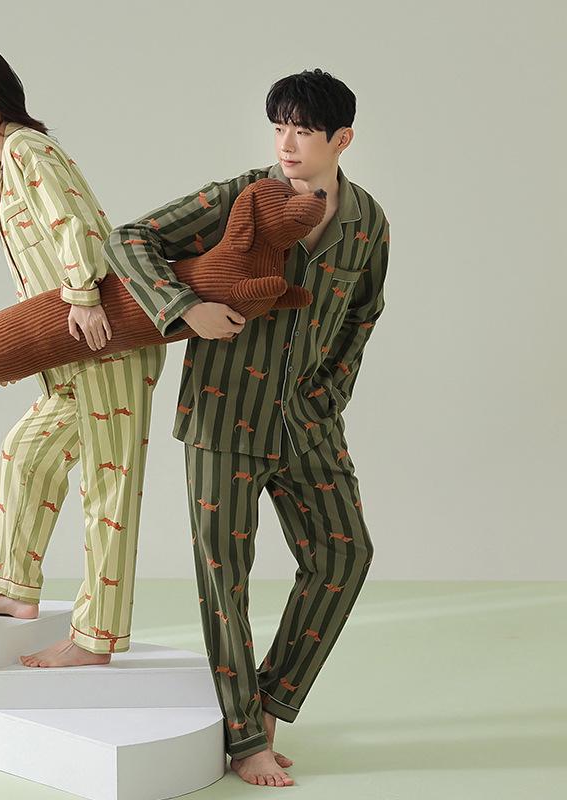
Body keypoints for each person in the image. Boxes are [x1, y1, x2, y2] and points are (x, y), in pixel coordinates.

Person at [102, 69, 390, 787]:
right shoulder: (239, 197)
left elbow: (363, 313)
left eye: (303, 131)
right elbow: (128, 239)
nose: (286, 144)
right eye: (279, 128)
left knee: (344, 555)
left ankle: (268, 702)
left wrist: (331, 393)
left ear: (342, 139)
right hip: (222, 417)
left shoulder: (367, 221)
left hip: (308, 423)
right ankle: (244, 740)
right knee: (224, 580)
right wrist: (181, 308)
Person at [0, 45, 166, 667]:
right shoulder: (4, 164)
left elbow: (73, 222)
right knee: (25, 454)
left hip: (102, 338)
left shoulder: (26, 148)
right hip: (69, 349)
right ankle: (12, 590)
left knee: (109, 491)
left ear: (1, 95)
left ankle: (95, 640)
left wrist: (85, 296)